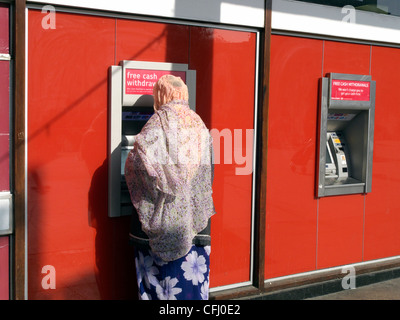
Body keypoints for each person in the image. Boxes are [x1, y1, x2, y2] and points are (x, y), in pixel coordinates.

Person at [124, 74, 216, 300]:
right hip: (195, 228)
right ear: (183, 94)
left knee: (159, 293)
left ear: (160, 96)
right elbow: (207, 176)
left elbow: (137, 167)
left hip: (155, 232)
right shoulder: (200, 126)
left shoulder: (154, 125)